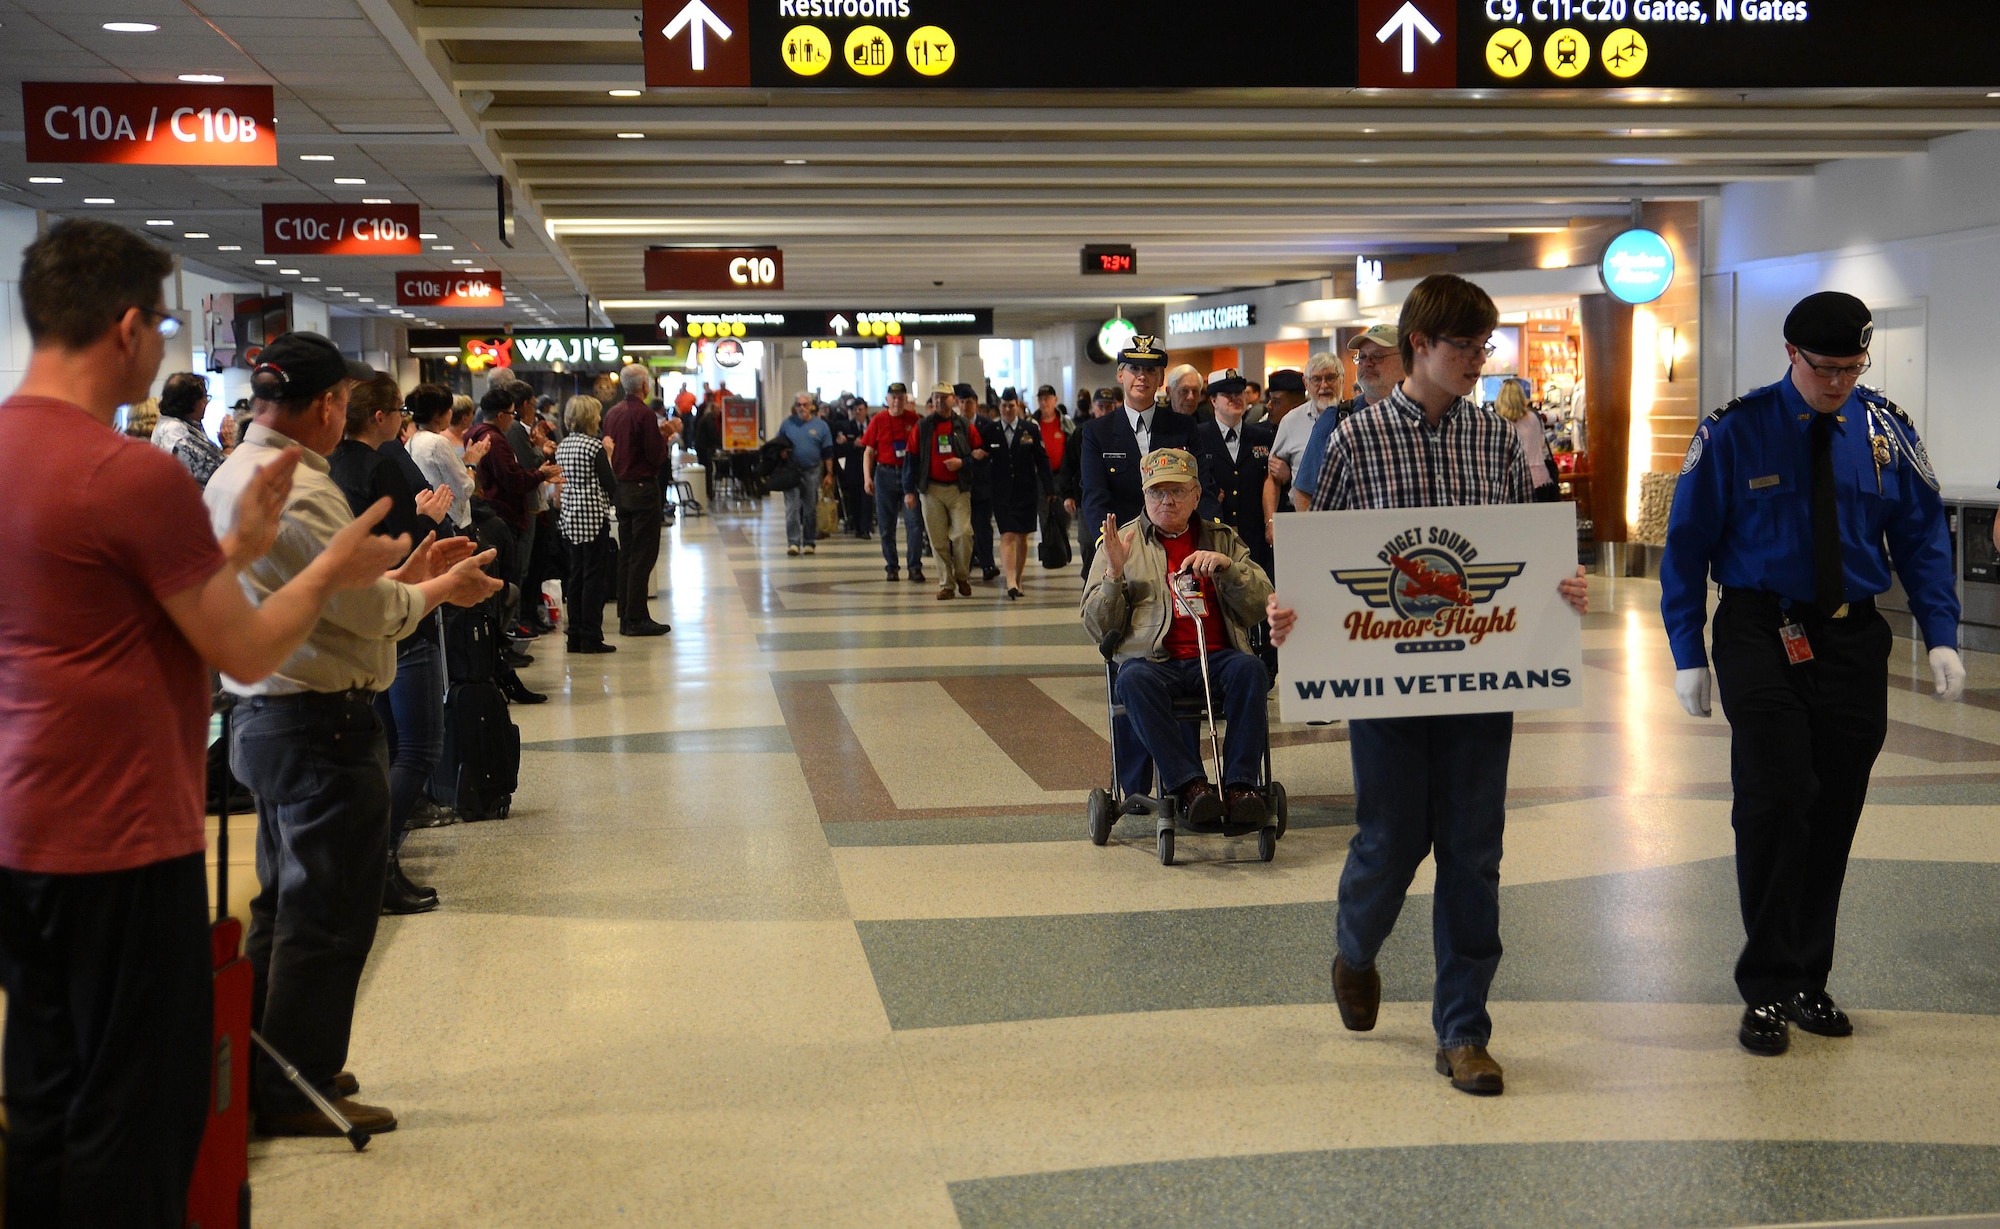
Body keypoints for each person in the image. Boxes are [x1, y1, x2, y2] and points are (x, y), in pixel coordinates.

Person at [0, 219, 411, 1227]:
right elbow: (247, 651)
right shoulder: (129, 471)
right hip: (123, 829)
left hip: (23, 821)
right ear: (131, 326)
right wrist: (323, 564)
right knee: (138, 1102)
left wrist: (236, 545)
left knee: (44, 1084)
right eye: (167, 323)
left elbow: (102, 614)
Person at [1270, 274, 1590, 1098]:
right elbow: (1317, 555)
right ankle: (1356, 946)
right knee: (1392, 837)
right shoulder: (1354, 437)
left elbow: (1523, 548)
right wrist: (1288, 610)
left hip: (1480, 678)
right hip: (1388, 684)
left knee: (1474, 850)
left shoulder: (1497, 438)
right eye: (1463, 349)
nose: (1478, 364)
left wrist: (1562, 589)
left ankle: (1464, 1030)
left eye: (1484, 348)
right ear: (1418, 345)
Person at [205, 331, 502, 1138]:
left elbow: (331, 594)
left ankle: (282, 1064)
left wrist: (402, 575)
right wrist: (440, 587)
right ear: (331, 404)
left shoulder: (237, 470)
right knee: (329, 911)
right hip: (315, 723)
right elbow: (361, 611)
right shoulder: (297, 488)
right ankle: (296, 1086)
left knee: (289, 902)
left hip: (272, 711)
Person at [1659, 290, 1964, 1057]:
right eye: (1826, 368)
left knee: (1832, 804)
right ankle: (1764, 985)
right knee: (1775, 796)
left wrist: (1941, 633)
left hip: (1853, 636)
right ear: (1791, 355)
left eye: (1853, 367)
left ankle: (1807, 977)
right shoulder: (1736, 430)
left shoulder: (1885, 429)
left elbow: (1924, 533)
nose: (1838, 382)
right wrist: (1687, 651)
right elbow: (1686, 545)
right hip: (1762, 626)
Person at [1081, 448, 1274, 823]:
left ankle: (1239, 786)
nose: (1166, 501)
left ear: (1197, 495)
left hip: (1216, 657)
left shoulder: (1222, 538)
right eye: (1156, 492)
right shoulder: (1121, 544)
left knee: (1251, 671)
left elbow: (1261, 603)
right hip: (1155, 662)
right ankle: (1190, 786)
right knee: (1132, 679)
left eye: (1177, 492)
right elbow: (1097, 627)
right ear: (1144, 495)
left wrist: (1230, 570)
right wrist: (1113, 577)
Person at [327, 372, 455, 917]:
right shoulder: (380, 467)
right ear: (379, 416)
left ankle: (372, 856)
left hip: (363, 624)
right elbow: (406, 544)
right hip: (404, 616)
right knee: (420, 747)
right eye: (397, 411)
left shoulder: (327, 468)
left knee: (386, 748)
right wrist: (424, 517)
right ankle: (375, 854)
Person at [1079, 336, 1203, 577]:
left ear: (1160, 379)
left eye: (1150, 369)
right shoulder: (1097, 432)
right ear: (1120, 375)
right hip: (1122, 545)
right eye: (1134, 368)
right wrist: (1108, 545)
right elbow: (1094, 495)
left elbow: (1200, 486)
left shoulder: (1184, 428)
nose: (1142, 376)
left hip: (1176, 547)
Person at [467, 387, 562, 648]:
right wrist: (541, 474)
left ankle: (505, 634)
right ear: (501, 415)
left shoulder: (475, 433)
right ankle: (505, 635)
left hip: (492, 511)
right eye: (512, 413)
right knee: (510, 577)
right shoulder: (495, 440)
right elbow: (512, 479)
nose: (514, 417)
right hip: (505, 514)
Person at [1292, 326, 1406, 513]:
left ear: (1407, 361)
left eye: (1377, 356)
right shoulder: (1335, 420)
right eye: (1362, 357)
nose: (1366, 363)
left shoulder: (1425, 417)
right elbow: (1305, 493)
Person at [603, 365, 671, 636]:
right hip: (643, 489)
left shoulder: (612, 413)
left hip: (621, 488)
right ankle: (636, 616)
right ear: (644, 385)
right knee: (644, 553)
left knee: (627, 552)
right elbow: (655, 455)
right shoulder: (644, 414)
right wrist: (664, 437)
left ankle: (625, 613)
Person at [1194, 368, 1276, 578]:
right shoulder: (1198, 437)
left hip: (1255, 536)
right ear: (1213, 400)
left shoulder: (1262, 436)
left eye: (1239, 393)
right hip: (1214, 535)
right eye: (1227, 394)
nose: (1235, 398)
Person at [555, 395, 618, 654]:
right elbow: (609, 483)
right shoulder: (594, 447)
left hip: (570, 515)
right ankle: (591, 635)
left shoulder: (563, 445)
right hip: (592, 515)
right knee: (594, 578)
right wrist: (610, 454)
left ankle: (575, 635)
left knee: (575, 576)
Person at [905, 383, 977, 600]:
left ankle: (962, 574)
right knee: (938, 540)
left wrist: (962, 463)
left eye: (943, 397)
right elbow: (911, 458)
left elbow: (978, 455)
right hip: (931, 489)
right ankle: (947, 584)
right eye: (935, 397)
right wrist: (909, 490)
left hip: (958, 489)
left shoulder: (963, 425)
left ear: (952, 400)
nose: (939, 401)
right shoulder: (923, 426)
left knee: (963, 533)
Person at [986, 388, 1053, 599]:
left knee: (1022, 537)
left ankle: (1019, 578)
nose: (1007, 409)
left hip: (1026, 491)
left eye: (1011, 405)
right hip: (1001, 492)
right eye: (1004, 406)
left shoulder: (1029, 429)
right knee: (1007, 534)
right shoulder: (991, 430)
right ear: (999, 407)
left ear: (1018, 406)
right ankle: (1010, 581)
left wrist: (1050, 488)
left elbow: (1042, 459)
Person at [1264, 351, 1342, 528]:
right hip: (1301, 518)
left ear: (1341, 380)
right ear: (1306, 383)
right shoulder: (1291, 421)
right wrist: (1270, 522)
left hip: (1348, 517)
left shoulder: (1357, 415)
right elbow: (1272, 479)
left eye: (1330, 377)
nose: (1324, 386)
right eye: (1316, 379)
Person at [862, 381, 926, 583]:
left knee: (914, 523)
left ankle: (914, 566)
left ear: (906, 399)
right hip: (885, 474)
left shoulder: (914, 420)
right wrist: (867, 477)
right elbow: (869, 452)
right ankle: (892, 566)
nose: (897, 401)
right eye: (893, 397)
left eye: (901, 397)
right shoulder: (878, 420)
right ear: (887, 399)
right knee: (886, 524)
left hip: (909, 476)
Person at [409, 383, 485, 531]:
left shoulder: (412, 440)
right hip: (450, 521)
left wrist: (462, 461)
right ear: (438, 416)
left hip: (429, 518)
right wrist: (471, 464)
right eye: (449, 409)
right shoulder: (438, 442)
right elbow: (465, 489)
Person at [779, 392, 834, 555]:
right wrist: (781, 452)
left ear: (811, 406)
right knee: (792, 508)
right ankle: (793, 542)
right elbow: (777, 444)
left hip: (812, 471)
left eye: (805, 405)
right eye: (798, 405)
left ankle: (809, 541)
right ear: (795, 407)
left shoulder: (821, 426)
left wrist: (829, 474)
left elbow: (828, 452)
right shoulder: (787, 424)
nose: (802, 408)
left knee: (810, 508)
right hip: (792, 471)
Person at [150, 371, 224, 488]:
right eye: (205, 398)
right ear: (192, 402)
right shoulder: (176, 434)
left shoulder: (175, 425)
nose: (206, 403)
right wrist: (228, 447)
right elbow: (219, 469)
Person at [959, 382, 1001, 581]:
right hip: (960, 485)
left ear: (976, 403)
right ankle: (964, 565)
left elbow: (995, 451)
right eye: (962, 402)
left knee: (983, 526)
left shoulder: (987, 425)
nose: (965, 406)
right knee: (963, 529)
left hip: (983, 484)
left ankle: (987, 564)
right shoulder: (954, 425)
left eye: (969, 402)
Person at [1494, 378, 1559, 502]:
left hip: (1513, 482)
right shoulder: (1534, 417)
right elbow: (1541, 443)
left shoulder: (1499, 423)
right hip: (1541, 478)